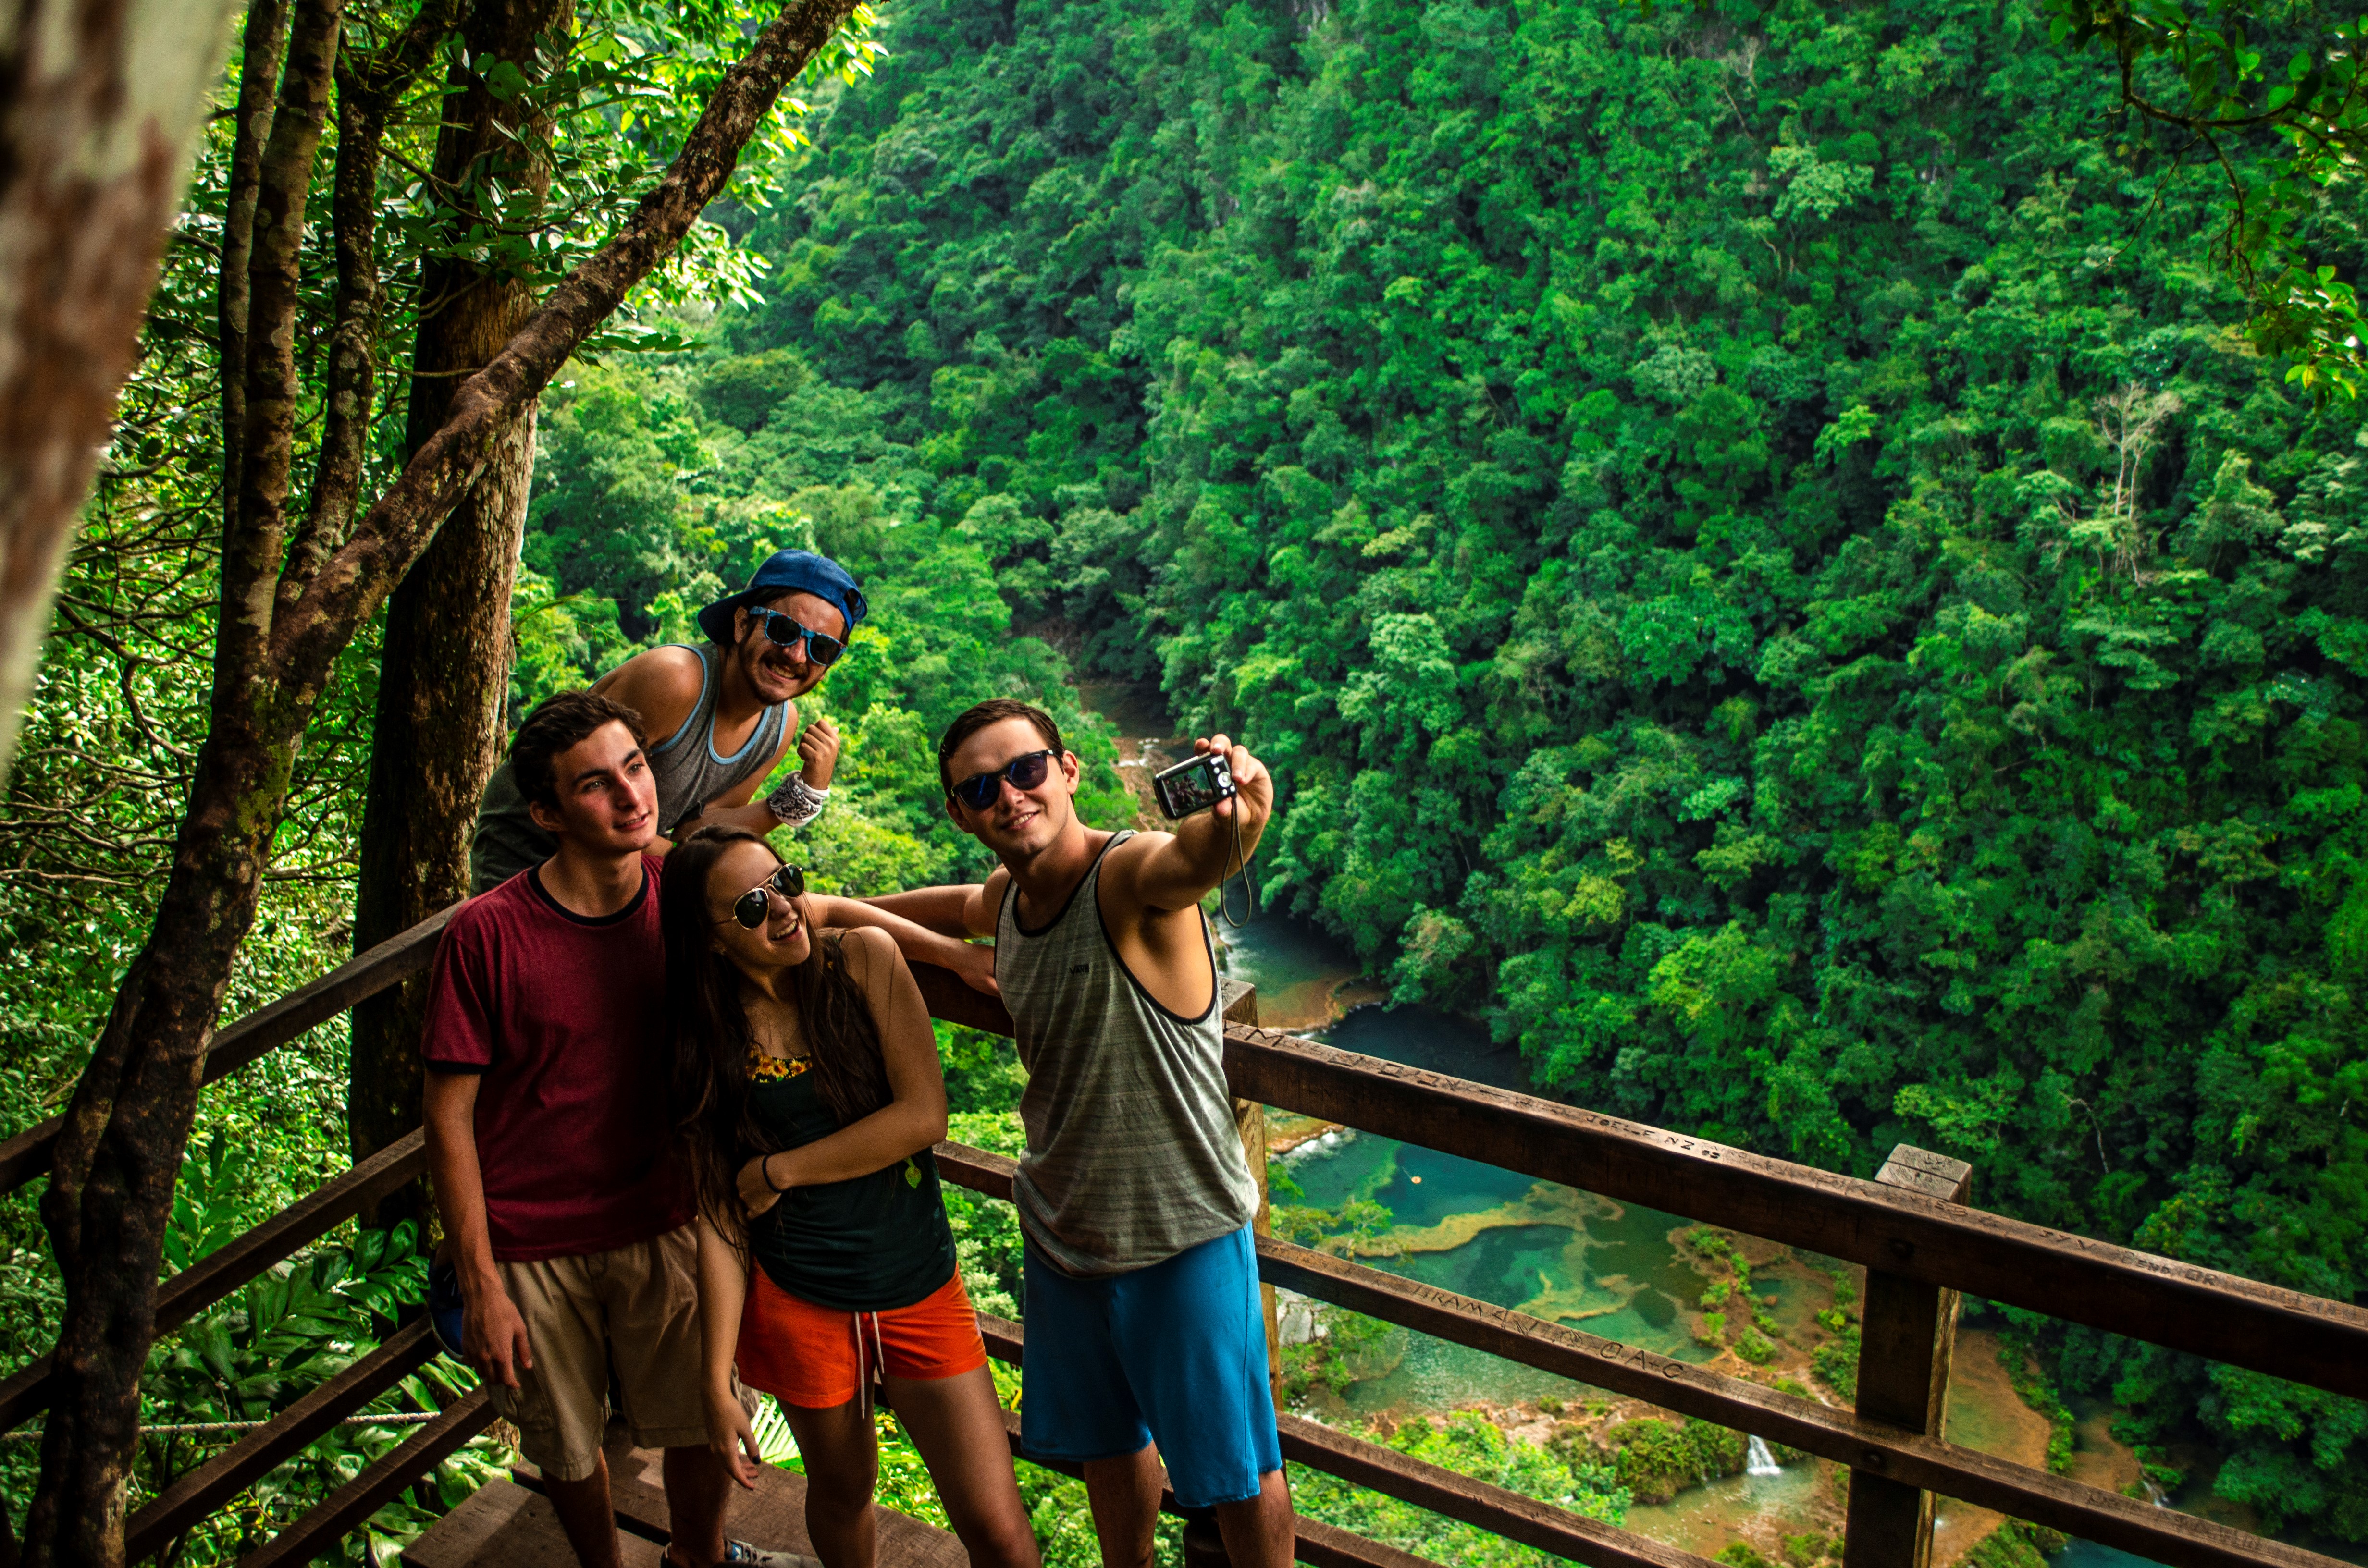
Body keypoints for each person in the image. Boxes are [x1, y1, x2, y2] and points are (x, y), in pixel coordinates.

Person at [422, 691, 997, 1568]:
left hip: (674, 1212)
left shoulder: (689, 896)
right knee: (570, 1443)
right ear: (545, 813)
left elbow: (817, 911)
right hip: (534, 1240)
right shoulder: (488, 933)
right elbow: (448, 1115)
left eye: (635, 765)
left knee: (695, 1419)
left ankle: (699, 1556)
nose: (629, 795)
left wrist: (952, 949)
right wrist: (481, 1276)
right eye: (594, 784)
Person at [869, 698, 1294, 1568]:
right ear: (959, 810)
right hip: (1065, 1226)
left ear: (1067, 770)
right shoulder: (1010, 898)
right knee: (1109, 1440)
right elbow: (958, 905)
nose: (1009, 796)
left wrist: (1244, 816)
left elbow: (1189, 859)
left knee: (1237, 1467)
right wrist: (835, 905)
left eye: (1026, 769)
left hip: (1179, 1229)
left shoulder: (1126, 874)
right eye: (981, 786)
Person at [663, 827, 1039, 1568]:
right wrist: (715, 1377)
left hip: (915, 1276)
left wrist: (780, 1171)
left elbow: (922, 1117)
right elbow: (719, 1215)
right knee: (841, 1491)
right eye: (749, 906)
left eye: (787, 880)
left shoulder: (863, 959)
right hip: (797, 1295)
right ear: (709, 941)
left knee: (995, 1522)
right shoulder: (703, 1040)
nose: (784, 909)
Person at [469, 548, 865, 894]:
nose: (797, 655)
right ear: (743, 623)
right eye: (783, 630)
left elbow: (698, 832)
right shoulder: (676, 681)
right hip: (531, 855)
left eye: (822, 647)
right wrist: (695, 865)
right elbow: (577, 792)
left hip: (621, 865)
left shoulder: (778, 727)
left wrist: (803, 796)